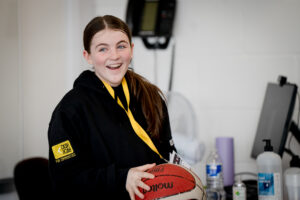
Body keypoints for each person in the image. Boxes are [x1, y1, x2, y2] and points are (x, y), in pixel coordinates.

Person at [48, 15, 176, 200]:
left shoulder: (152, 98)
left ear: (131, 50)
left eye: (121, 46)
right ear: (88, 56)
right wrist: (122, 178)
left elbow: (169, 157)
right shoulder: (69, 111)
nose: (114, 56)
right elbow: (66, 180)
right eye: (102, 49)